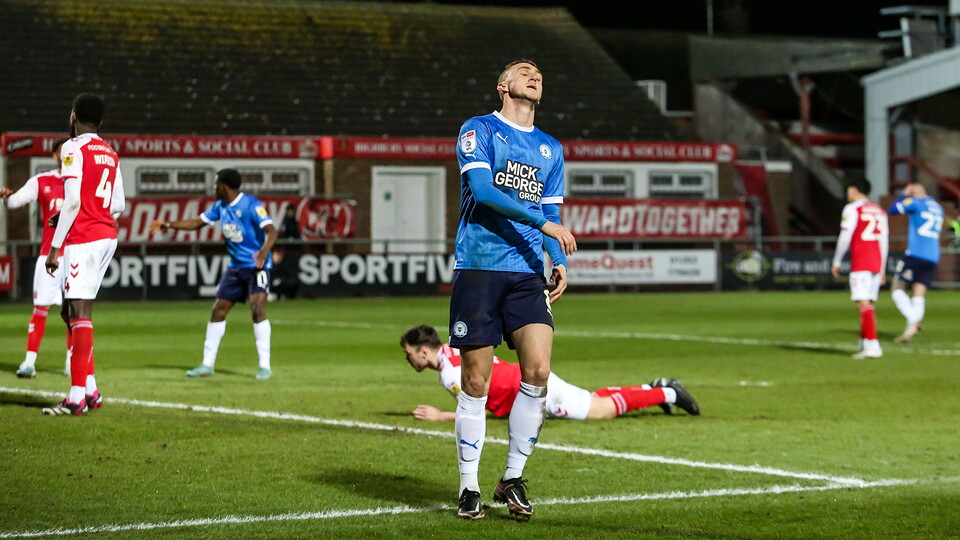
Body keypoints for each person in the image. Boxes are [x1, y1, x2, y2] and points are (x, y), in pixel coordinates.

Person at [449, 58, 577, 520]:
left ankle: (512, 478)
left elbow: (549, 211)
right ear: (502, 84)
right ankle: (468, 486)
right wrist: (544, 222)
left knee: (538, 370)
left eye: (539, 72)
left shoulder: (551, 148)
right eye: (524, 71)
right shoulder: (478, 128)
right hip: (479, 267)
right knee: (477, 381)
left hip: (525, 271)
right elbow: (482, 191)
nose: (534, 74)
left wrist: (557, 260)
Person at [400, 325, 700, 422]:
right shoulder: (455, 347)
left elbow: (475, 409)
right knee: (593, 398)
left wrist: (441, 416)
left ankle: (669, 391)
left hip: (535, 392)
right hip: (528, 383)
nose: (407, 359)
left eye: (409, 353)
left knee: (601, 411)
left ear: (423, 351)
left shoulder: (449, 374)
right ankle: (653, 388)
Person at [149, 169, 278, 380]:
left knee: (257, 309)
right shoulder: (221, 207)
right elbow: (197, 223)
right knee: (219, 310)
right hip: (236, 267)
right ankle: (207, 365)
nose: (214, 188)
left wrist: (264, 250)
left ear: (224, 185)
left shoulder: (251, 205)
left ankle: (265, 366)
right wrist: (168, 224)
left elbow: (272, 230)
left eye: (216, 184)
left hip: (257, 266)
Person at [42, 94, 125, 416]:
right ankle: (90, 390)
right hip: (106, 235)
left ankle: (76, 398)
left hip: (84, 238)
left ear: (74, 115)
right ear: (101, 121)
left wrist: (54, 248)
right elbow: (117, 205)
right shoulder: (110, 152)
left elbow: (73, 201)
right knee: (70, 312)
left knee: (79, 311)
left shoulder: (73, 148)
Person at [1, 137, 71, 378]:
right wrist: (7, 197)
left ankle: (72, 363)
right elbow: (14, 202)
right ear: (54, 155)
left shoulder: (83, 182)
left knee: (74, 310)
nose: (67, 154)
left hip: (76, 254)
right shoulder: (42, 181)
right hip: (48, 255)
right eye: (63, 151)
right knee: (40, 307)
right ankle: (29, 362)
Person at [831, 178, 888, 359]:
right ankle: (866, 343)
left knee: (862, 302)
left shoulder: (853, 208)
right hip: (876, 262)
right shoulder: (879, 210)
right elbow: (884, 241)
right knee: (867, 303)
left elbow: (845, 236)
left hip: (862, 261)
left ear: (854, 189)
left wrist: (837, 260)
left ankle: (873, 345)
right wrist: (883, 268)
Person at [887, 181, 943, 343]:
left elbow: (893, 209)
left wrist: (905, 195)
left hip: (916, 254)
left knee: (897, 288)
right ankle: (909, 331)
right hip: (932, 255)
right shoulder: (937, 207)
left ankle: (914, 320)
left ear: (913, 191)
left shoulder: (915, 202)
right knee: (918, 293)